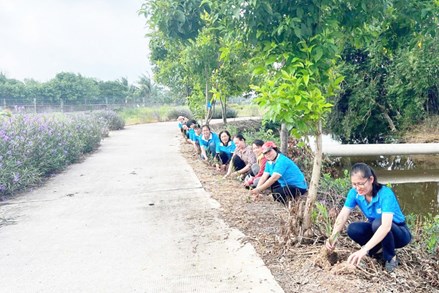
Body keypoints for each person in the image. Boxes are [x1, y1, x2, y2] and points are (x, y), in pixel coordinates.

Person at [325, 163, 411, 273]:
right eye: (354, 184)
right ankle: (378, 252)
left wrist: (364, 250)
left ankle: (391, 258)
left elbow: (385, 226)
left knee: (378, 223)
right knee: (353, 229)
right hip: (377, 228)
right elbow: (343, 215)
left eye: (361, 184)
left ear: (371, 179)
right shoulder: (354, 193)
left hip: (399, 233)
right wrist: (333, 236)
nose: (357, 188)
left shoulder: (385, 194)